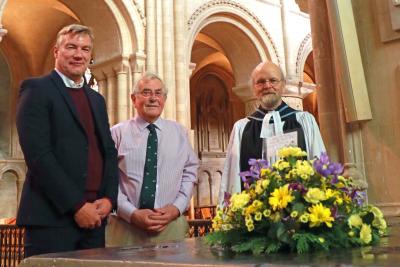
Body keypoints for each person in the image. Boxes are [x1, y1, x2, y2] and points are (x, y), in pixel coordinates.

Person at [16, 24, 118, 256]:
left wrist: (109, 198)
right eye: (71, 47)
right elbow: (38, 155)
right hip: (51, 218)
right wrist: (77, 206)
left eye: (85, 49)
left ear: (91, 55)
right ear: (56, 51)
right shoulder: (37, 89)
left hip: (95, 218)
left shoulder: (96, 100)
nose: (78, 54)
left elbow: (109, 152)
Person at [107, 72, 199, 246]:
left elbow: (190, 173)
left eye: (158, 93)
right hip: (125, 228)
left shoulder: (179, 133)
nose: (153, 98)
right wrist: (131, 213)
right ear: (133, 99)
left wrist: (176, 207)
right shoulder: (117, 134)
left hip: (171, 226)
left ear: (164, 99)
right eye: (146, 92)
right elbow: (109, 180)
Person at [218, 61, 325, 204]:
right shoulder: (242, 128)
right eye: (260, 82)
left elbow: (318, 164)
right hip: (256, 213)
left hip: (299, 212)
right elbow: (232, 177)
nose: (267, 86)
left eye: (273, 80)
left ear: (283, 84)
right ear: (253, 88)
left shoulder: (305, 121)